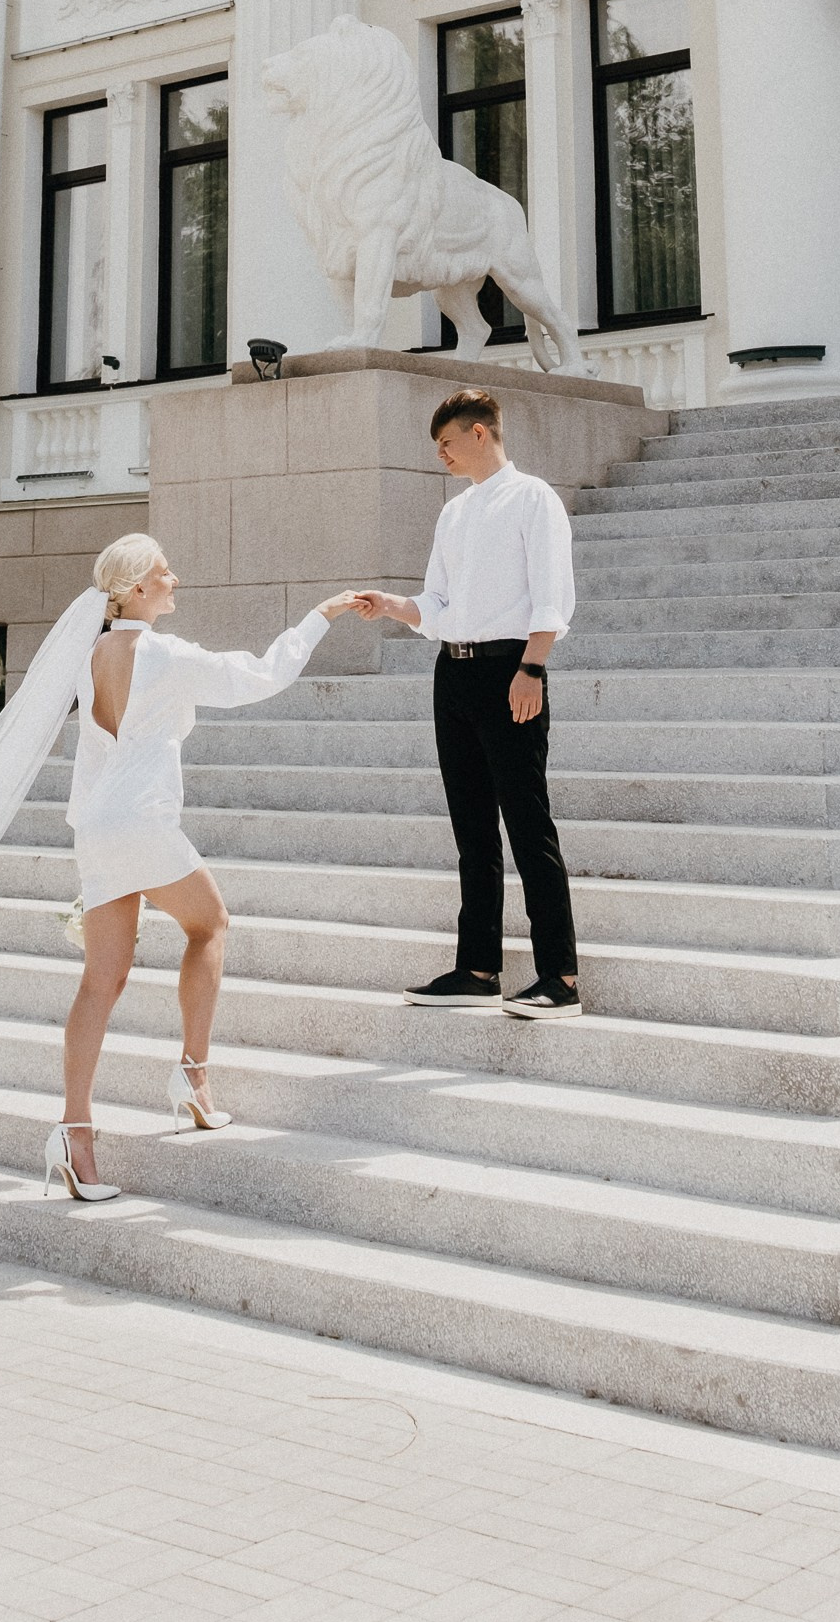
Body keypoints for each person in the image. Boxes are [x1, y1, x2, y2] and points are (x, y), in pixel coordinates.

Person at [50, 534, 371, 1202]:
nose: (176, 579)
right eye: (165, 572)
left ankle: (75, 1135)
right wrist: (321, 616)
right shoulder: (164, 654)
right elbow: (260, 676)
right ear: (138, 588)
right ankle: (193, 1076)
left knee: (100, 981)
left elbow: (95, 749)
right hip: (141, 818)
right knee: (211, 925)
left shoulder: (90, 653)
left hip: (96, 824)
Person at [356, 387, 581, 1020]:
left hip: (511, 670)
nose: (441, 454)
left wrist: (532, 668)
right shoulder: (453, 513)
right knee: (472, 829)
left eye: (447, 442)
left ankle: (560, 977)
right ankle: (478, 970)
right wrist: (393, 606)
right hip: (451, 673)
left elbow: (552, 594)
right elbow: (438, 604)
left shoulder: (534, 498)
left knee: (528, 824)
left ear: (479, 433)